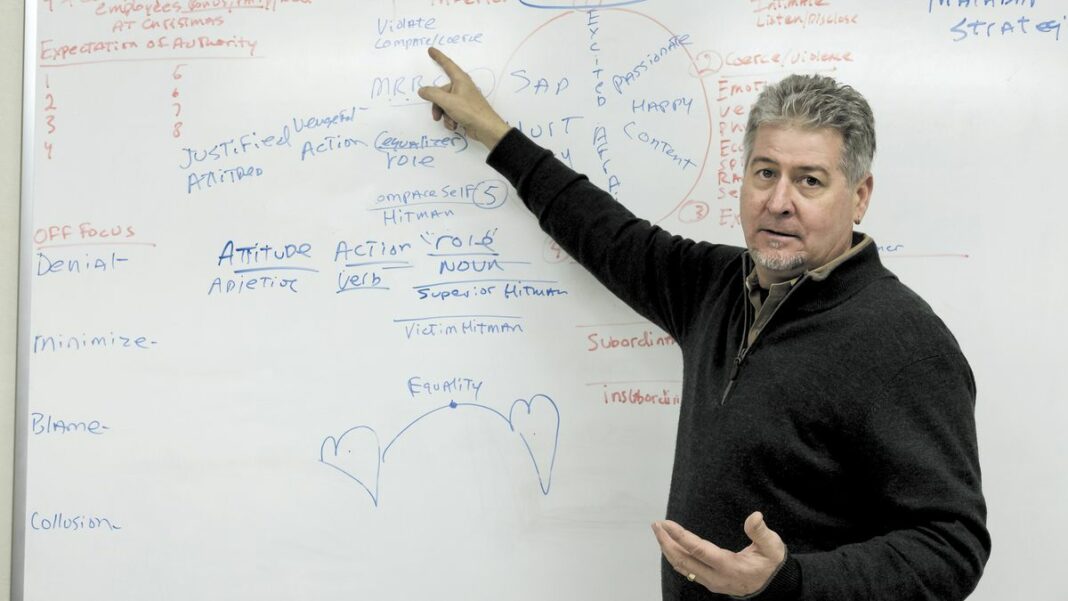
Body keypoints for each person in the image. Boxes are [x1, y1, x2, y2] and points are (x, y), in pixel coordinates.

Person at [417, 47, 990, 600]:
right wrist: (493, 132)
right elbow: (606, 234)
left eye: (809, 181)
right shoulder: (715, 286)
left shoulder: (903, 340)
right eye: (765, 173)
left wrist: (787, 583)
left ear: (859, 196)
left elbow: (951, 546)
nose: (779, 201)